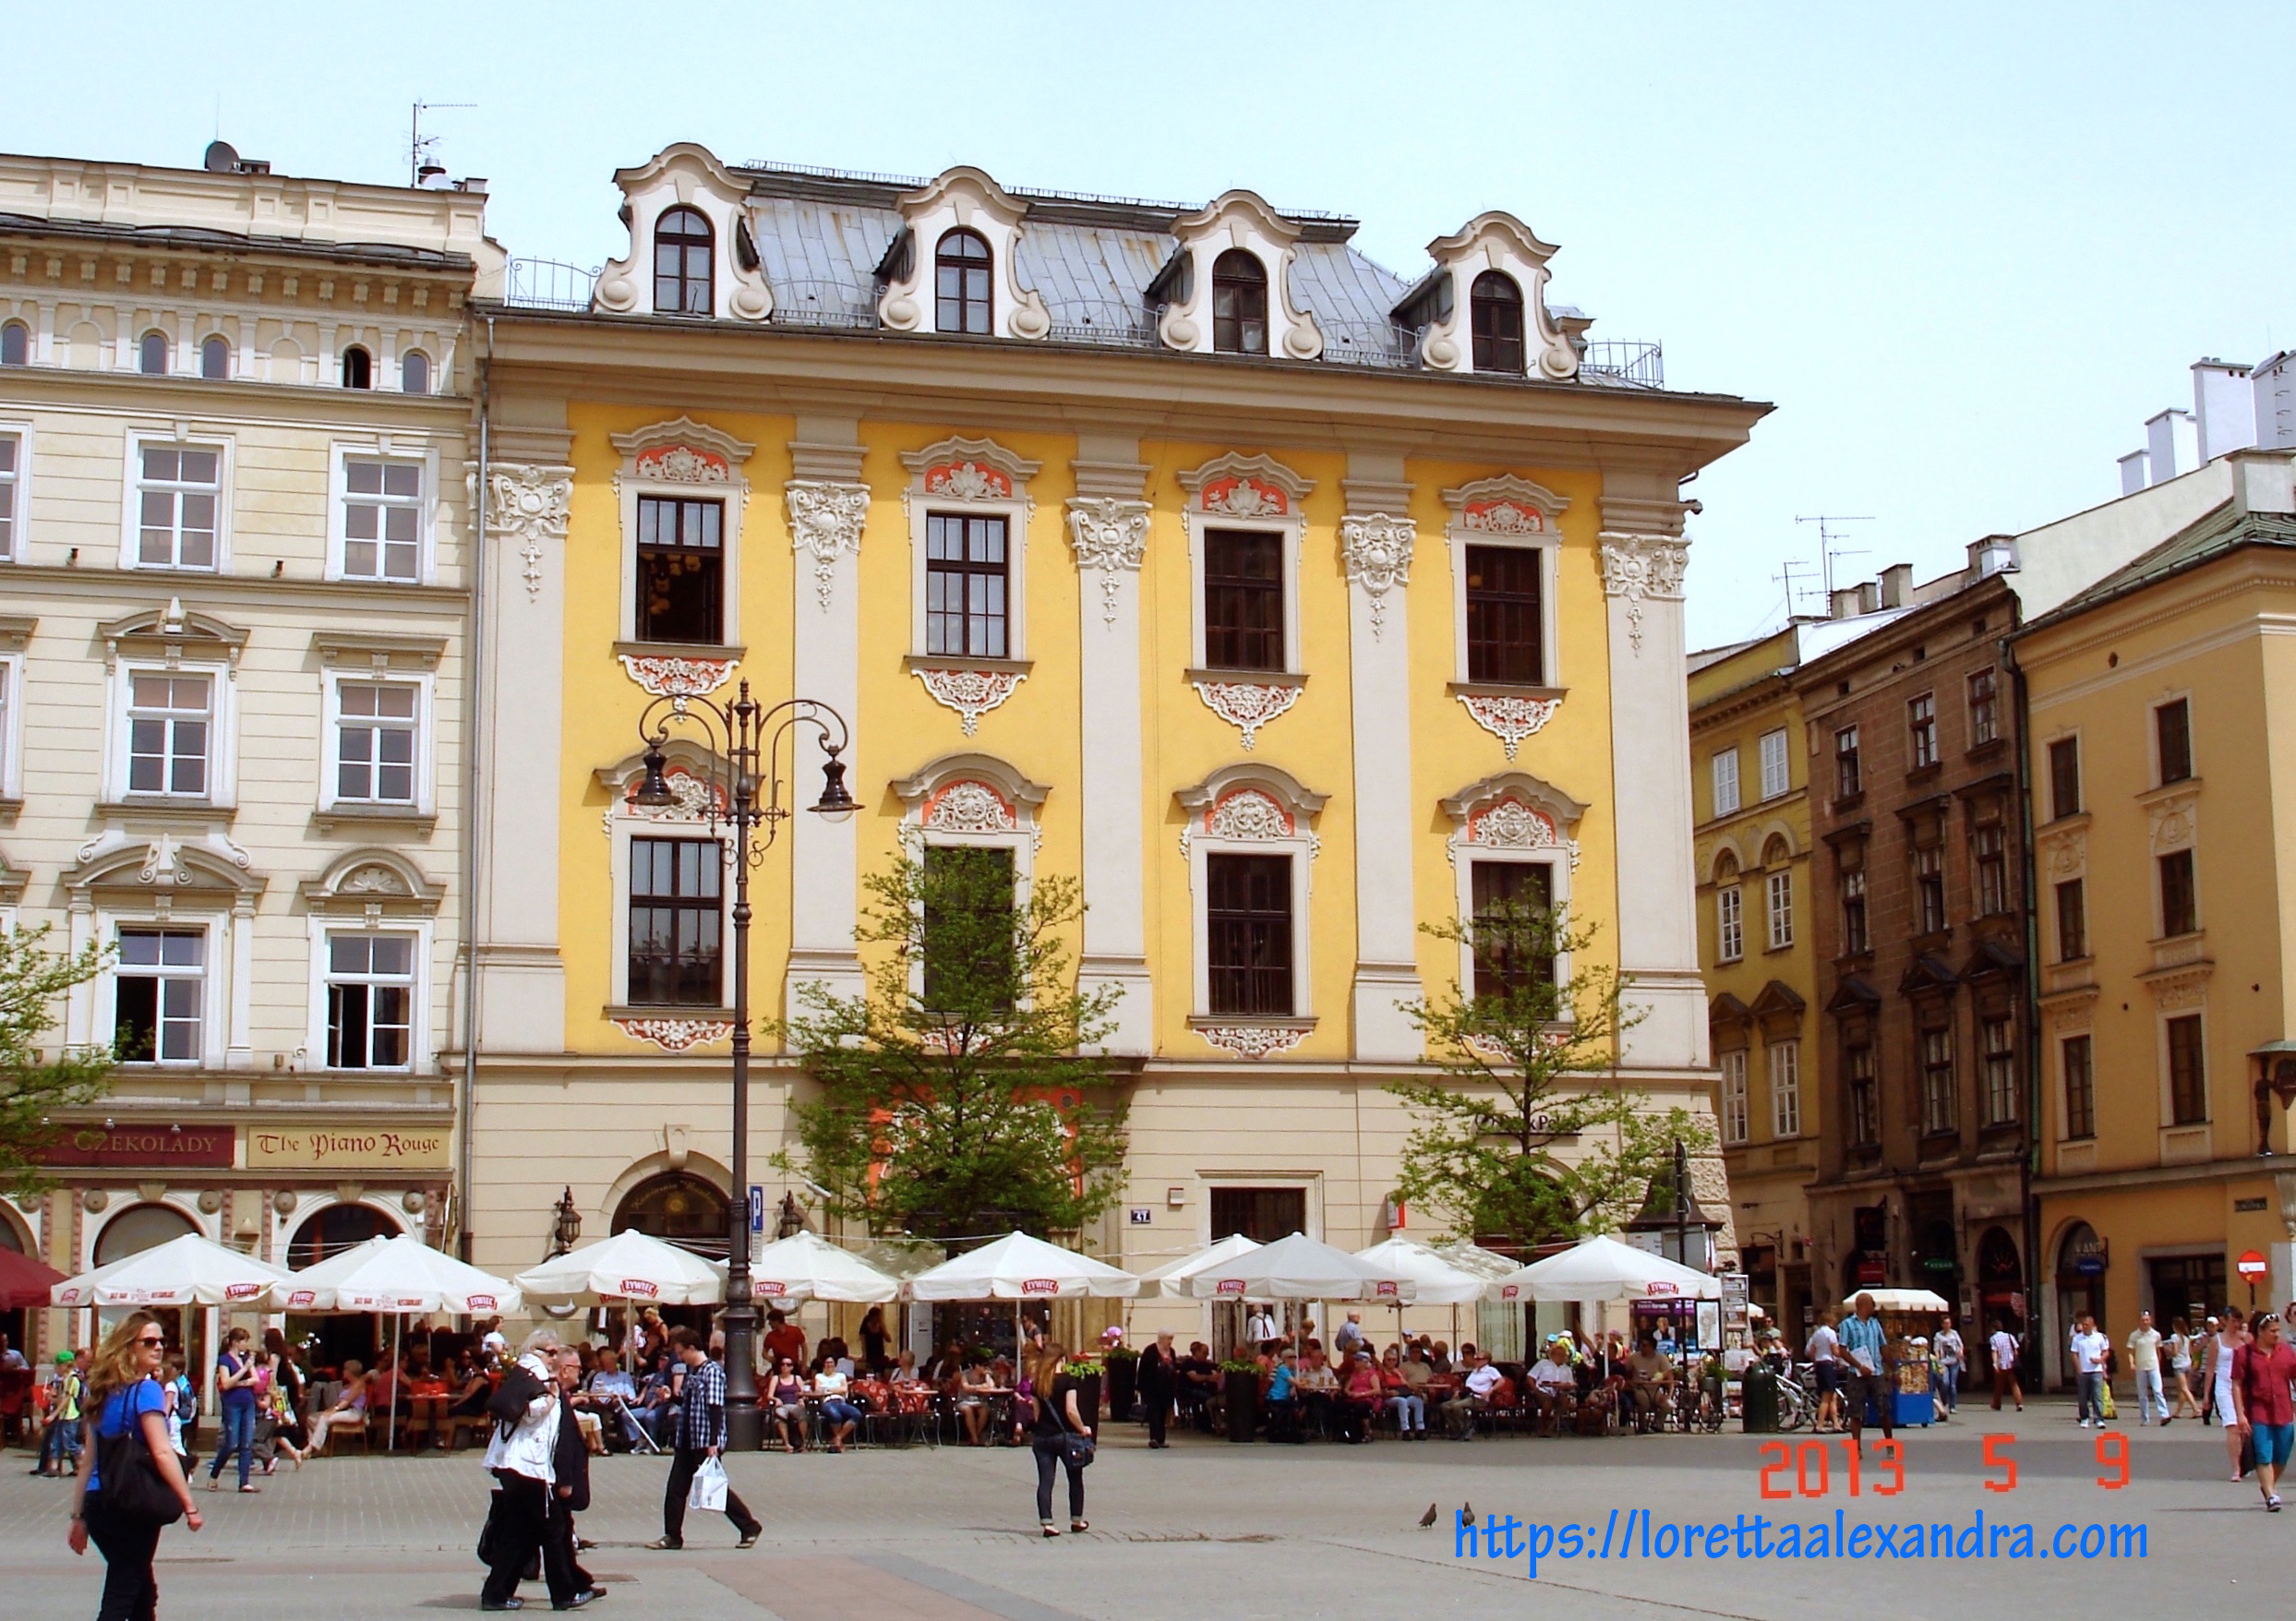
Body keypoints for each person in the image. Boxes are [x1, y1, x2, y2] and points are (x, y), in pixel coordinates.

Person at [66, 1310, 203, 1620]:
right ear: (130, 1347)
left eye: (161, 1341)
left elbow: (88, 1461)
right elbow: (162, 1452)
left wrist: (79, 1516)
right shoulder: (147, 1390)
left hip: (99, 1503)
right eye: (149, 1342)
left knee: (140, 1587)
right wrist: (189, 1505)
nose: (158, 1347)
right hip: (133, 1502)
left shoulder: (101, 1390)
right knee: (123, 1591)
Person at [480, 1328, 571, 1614]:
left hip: (519, 1464)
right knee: (553, 1527)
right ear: (537, 1351)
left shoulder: (530, 1372)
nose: (556, 1357)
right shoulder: (534, 1370)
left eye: (557, 1352)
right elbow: (529, 1412)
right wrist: (552, 1398)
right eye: (552, 1352)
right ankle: (564, 1592)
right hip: (524, 1465)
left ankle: (497, 1593)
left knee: (520, 1532)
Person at [649, 1327, 761, 1551]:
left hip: (704, 1441)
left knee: (713, 1488)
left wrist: (713, 1441)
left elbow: (715, 1408)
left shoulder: (712, 1371)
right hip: (687, 1439)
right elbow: (691, 1404)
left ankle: (749, 1526)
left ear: (692, 1349)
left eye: (681, 1353)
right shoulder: (694, 1372)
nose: (680, 1358)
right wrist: (671, 1398)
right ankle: (672, 1535)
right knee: (676, 1489)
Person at [545, 1348, 604, 1608]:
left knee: (562, 1529)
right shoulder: (556, 1397)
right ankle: (564, 1592)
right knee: (551, 1535)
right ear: (565, 1369)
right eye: (577, 1367)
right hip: (555, 1479)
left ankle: (577, 1581)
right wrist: (565, 1480)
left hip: (553, 1479)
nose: (580, 1371)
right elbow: (562, 1442)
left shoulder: (561, 1396)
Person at [2233, 1311, 2296, 1510]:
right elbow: (2236, 1384)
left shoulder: (2286, 1352)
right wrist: (2240, 1415)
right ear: (2260, 1332)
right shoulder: (2244, 1354)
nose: (2277, 1335)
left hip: (2284, 1410)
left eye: (2278, 1331)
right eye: (2272, 1331)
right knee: (2263, 1454)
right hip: (2258, 1412)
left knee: (2282, 1455)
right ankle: (2270, 1495)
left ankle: (2268, 1486)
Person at [1028, 1342, 1090, 1537]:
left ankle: (1047, 1523)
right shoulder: (1068, 1381)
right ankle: (1076, 1520)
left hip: (1042, 1438)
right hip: (1065, 1438)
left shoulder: (1037, 1383)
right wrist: (1082, 1428)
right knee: (1075, 1477)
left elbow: (1036, 1414)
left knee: (1046, 1480)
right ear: (1061, 1360)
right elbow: (1071, 1410)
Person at [204, 1327, 260, 1494]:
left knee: (247, 1442)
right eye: (244, 1341)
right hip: (232, 1403)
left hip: (248, 1402)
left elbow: (255, 1379)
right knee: (231, 1443)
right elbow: (226, 1382)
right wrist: (244, 1372)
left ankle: (244, 1481)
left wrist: (242, 1380)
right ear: (235, 1342)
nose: (246, 1345)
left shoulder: (246, 1358)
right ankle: (214, 1475)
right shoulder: (224, 1360)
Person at [1838, 1293, 1893, 1444]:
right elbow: (1842, 1350)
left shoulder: (1875, 1324)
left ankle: (1889, 1443)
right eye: (1872, 1305)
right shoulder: (1847, 1324)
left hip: (1876, 1372)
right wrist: (1859, 1366)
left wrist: (1893, 1368)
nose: (1874, 1308)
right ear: (1864, 1306)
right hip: (1857, 1373)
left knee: (1884, 1409)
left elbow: (1883, 1347)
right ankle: (1856, 1446)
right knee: (1856, 1411)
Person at [2212, 1310, 2250, 1480]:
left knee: (2244, 1428)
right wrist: (2206, 1396)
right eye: (2233, 1321)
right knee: (2232, 1426)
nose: (2235, 1324)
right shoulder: (2217, 1341)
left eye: (2238, 1321)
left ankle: (2244, 1462)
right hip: (2223, 1385)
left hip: (2242, 1385)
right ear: (2224, 1321)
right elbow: (2210, 1369)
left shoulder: (2245, 1339)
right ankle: (2236, 1468)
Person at [38, 1349, 86, 1478]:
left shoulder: (72, 1380)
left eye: (57, 1365)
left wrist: (53, 1415)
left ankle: (86, 1464)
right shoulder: (64, 1380)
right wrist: (50, 1396)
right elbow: (60, 1399)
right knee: (56, 1442)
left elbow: (66, 1400)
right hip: (63, 1416)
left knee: (70, 1444)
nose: (55, 1368)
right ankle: (53, 1469)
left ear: (65, 1366)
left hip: (70, 1417)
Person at [307, 1360, 369, 1454]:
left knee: (324, 1418)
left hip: (354, 1413)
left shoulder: (359, 1384)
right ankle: (320, 1448)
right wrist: (330, 1409)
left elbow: (347, 1401)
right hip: (344, 1411)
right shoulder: (348, 1385)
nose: (343, 1372)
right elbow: (339, 1402)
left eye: (345, 1370)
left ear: (350, 1371)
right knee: (311, 1418)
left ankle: (312, 1448)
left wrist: (334, 1410)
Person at [1443, 1350, 1502, 1439]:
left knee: (1456, 1406)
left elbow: (1501, 1381)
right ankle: (1456, 1428)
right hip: (1468, 1395)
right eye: (1475, 1359)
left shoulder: (1490, 1370)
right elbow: (1469, 1385)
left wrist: (1491, 1390)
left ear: (1486, 1360)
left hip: (1479, 1398)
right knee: (1445, 1406)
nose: (1476, 1361)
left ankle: (1466, 1427)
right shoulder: (1475, 1371)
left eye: (1479, 1359)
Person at [1625, 1335, 1677, 1432]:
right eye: (1640, 1345)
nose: (1641, 1347)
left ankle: (1658, 1424)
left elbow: (1669, 1376)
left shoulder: (1660, 1358)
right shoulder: (1634, 1357)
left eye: (1644, 1345)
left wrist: (1669, 1395)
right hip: (1640, 1388)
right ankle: (1642, 1426)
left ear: (1652, 1347)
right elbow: (1626, 1372)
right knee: (1643, 1402)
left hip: (1655, 1390)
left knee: (1667, 1404)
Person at [1136, 1330, 1177, 1448]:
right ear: (1161, 1338)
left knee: (1163, 1413)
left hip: (1166, 1388)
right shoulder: (1150, 1350)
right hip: (1151, 1387)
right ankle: (1154, 1438)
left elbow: (1174, 1368)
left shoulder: (1172, 1351)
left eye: (1171, 1339)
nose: (1170, 1342)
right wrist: (1140, 1387)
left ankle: (1161, 1439)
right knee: (1154, 1412)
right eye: (1168, 1339)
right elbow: (1142, 1369)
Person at [1529, 1339, 1578, 1436]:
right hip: (1542, 1390)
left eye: (1562, 1355)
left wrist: (1565, 1385)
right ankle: (1543, 1427)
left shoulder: (1567, 1369)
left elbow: (1570, 1383)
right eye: (1558, 1354)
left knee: (1565, 1402)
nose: (1560, 1357)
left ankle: (1552, 1426)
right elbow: (1530, 1377)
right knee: (1548, 1403)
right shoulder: (1543, 1364)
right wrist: (1535, 1389)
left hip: (1560, 1392)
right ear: (1552, 1355)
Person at [813, 1355, 861, 1453]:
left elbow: (844, 1389)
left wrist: (828, 1389)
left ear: (835, 1365)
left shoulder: (841, 1376)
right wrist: (836, 1390)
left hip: (840, 1401)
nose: (829, 1365)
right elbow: (818, 1391)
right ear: (824, 1365)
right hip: (827, 1402)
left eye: (831, 1363)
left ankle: (838, 1438)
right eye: (827, 1363)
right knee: (836, 1415)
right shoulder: (819, 1376)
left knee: (856, 1414)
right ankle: (839, 1444)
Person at [2070, 1312, 2110, 1428]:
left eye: (2087, 1324)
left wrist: (2100, 1360)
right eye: (2083, 1324)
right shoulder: (2077, 1339)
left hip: (2096, 1370)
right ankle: (2084, 1417)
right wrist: (2079, 1369)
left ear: (2092, 1325)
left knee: (2097, 1395)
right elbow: (2074, 1354)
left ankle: (2099, 1419)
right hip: (2084, 1371)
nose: (2085, 1326)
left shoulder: (2099, 1337)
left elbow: (2106, 1351)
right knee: (2083, 1396)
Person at [2127, 1310, 2166, 1426]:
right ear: (2139, 1321)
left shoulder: (2156, 1335)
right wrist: (2132, 1363)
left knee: (2158, 1390)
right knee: (2142, 1393)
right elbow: (2130, 1351)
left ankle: (2164, 1415)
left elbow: (2159, 1351)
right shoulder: (2134, 1335)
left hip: (2153, 1366)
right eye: (2143, 1320)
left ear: (2151, 1321)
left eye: (2147, 1320)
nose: (2145, 1322)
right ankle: (2145, 1418)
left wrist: (2158, 1364)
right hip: (2140, 1367)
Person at [1380, 1345, 1427, 1438]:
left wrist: (1399, 1375)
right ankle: (1405, 1429)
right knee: (1402, 1401)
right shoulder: (1381, 1372)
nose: (1391, 1362)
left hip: (1403, 1394)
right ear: (1384, 1360)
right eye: (1389, 1359)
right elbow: (1380, 1390)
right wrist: (1389, 1392)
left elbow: (1408, 1386)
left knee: (1418, 1401)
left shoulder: (1400, 1372)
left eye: (1394, 1360)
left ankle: (1420, 1428)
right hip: (1389, 1397)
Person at [1805, 1311, 1841, 1432]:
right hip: (1828, 1364)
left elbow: (1811, 1352)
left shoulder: (1817, 1333)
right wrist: (1845, 1354)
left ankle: (1836, 1424)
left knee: (1832, 1395)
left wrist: (1815, 1361)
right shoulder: (1830, 1333)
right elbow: (1835, 1351)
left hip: (1819, 1365)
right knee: (1827, 1396)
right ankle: (1819, 1424)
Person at [767, 1358, 810, 1452]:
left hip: (795, 1404)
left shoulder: (797, 1379)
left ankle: (802, 1443)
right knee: (780, 1415)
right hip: (782, 1405)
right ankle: (787, 1444)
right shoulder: (775, 1379)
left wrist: (802, 1400)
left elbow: (804, 1394)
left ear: (792, 1367)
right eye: (783, 1364)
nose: (785, 1366)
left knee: (802, 1414)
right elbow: (769, 1395)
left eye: (788, 1364)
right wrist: (776, 1399)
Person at [956, 1355, 998, 1447]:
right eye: (983, 1366)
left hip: (979, 1401)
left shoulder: (984, 1375)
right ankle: (975, 1438)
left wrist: (987, 1375)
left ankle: (974, 1436)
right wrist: (981, 1386)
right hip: (964, 1400)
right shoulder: (965, 1374)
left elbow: (991, 1386)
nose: (985, 1368)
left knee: (985, 1410)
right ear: (977, 1365)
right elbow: (966, 1387)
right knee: (968, 1410)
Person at [1987, 1318, 2024, 1412]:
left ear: (1993, 1329)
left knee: (1999, 1385)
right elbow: (2016, 1350)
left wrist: (1995, 1363)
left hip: (2001, 1364)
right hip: (2010, 1363)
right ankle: (2019, 1403)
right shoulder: (2009, 1336)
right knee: (2014, 1384)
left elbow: (1994, 1351)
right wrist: (2014, 1359)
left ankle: (1996, 1404)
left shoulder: (1993, 1338)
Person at [2170, 1317, 2202, 1419]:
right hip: (2187, 1363)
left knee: (2184, 1388)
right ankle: (2178, 1411)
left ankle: (2195, 1409)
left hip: (2179, 1364)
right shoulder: (2186, 1338)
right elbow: (2191, 1352)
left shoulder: (2174, 1337)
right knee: (2181, 1389)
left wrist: (2168, 1351)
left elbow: (2174, 1352)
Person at [762, 1311, 807, 1379]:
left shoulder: (795, 1331)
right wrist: (769, 1358)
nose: (769, 1324)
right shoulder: (770, 1336)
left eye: (770, 1322)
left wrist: (804, 1364)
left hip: (793, 1365)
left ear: (776, 1321)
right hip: (778, 1366)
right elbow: (764, 1352)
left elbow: (804, 1347)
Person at [1934, 1319, 1965, 1417]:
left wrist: (1961, 1352)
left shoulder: (1954, 1333)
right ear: (1942, 1324)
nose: (1947, 1325)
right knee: (1945, 1383)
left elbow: (1960, 1345)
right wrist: (1938, 1361)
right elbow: (1937, 1350)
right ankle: (1944, 1401)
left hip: (1954, 1361)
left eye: (1949, 1323)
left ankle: (1953, 1406)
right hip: (1944, 1362)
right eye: (1945, 1323)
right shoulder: (1938, 1335)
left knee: (1953, 1385)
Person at [859, 1307, 891, 1375]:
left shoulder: (881, 1326)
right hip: (870, 1356)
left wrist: (883, 1328)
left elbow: (889, 1339)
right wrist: (864, 1355)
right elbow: (863, 1341)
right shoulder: (865, 1327)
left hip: (880, 1355)